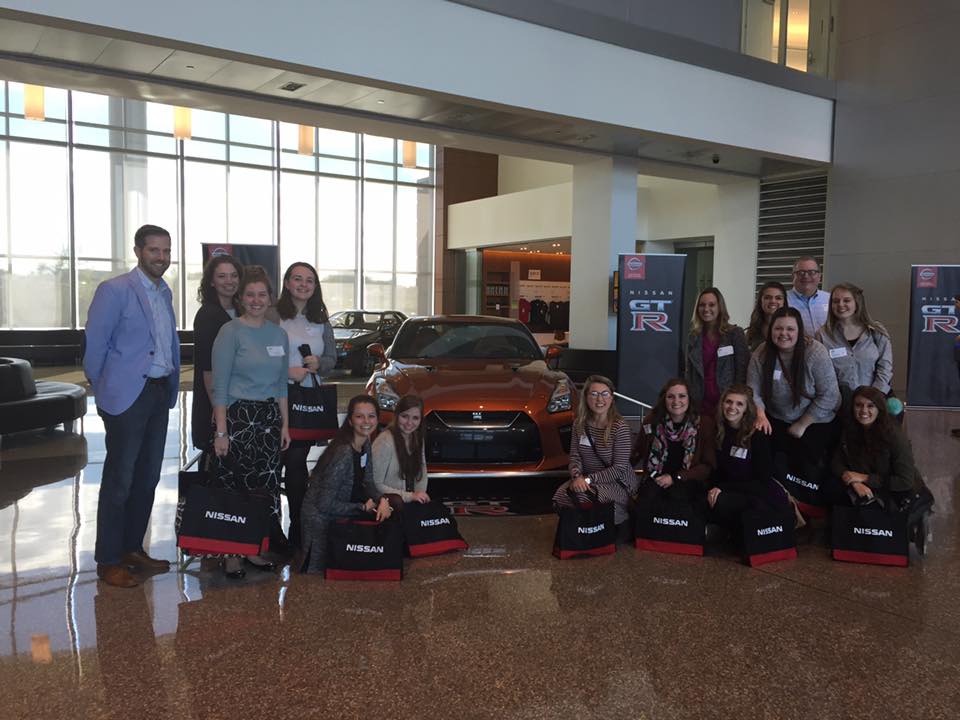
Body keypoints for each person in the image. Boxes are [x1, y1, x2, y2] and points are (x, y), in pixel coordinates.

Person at [84, 224, 179, 588]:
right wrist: (105, 387)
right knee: (119, 480)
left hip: (157, 393)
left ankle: (131, 549)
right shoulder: (115, 290)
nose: (161, 257)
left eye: (166, 251)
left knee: (147, 477)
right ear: (138, 251)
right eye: (154, 250)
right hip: (127, 397)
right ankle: (108, 560)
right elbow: (95, 347)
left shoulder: (164, 292)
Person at [211, 265, 291, 578]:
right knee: (235, 488)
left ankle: (255, 548)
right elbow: (220, 386)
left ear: (271, 298)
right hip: (238, 418)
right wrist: (221, 431)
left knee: (265, 489)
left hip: (269, 420)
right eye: (250, 295)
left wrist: (285, 424)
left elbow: (282, 384)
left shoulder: (279, 334)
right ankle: (232, 554)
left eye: (262, 294)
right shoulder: (230, 332)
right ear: (241, 299)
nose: (256, 300)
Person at [748, 307, 841, 498]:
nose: (784, 334)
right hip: (777, 416)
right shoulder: (762, 352)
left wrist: (803, 424)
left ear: (799, 331)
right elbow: (752, 390)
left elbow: (830, 395)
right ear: (771, 330)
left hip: (815, 420)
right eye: (778, 328)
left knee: (805, 457)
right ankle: (770, 494)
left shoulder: (815, 352)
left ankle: (808, 503)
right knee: (759, 442)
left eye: (790, 329)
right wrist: (760, 414)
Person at [276, 261, 336, 551]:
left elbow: (332, 361)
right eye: (297, 279)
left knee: (297, 464)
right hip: (274, 397)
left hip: (305, 402)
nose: (303, 284)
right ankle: (269, 531)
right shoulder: (273, 315)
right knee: (276, 464)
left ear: (315, 286)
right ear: (287, 283)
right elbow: (259, 356)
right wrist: (288, 372)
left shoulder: (321, 319)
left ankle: (297, 531)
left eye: (309, 280)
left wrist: (318, 364)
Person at [300, 395, 397, 574]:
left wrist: (382, 500)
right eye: (360, 416)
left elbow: (368, 481)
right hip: (322, 521)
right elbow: (324, 505)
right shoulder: (343, 453)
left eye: (371, 416)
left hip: (343, 508)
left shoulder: (365, 443)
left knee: (394, 506)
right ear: (350, 421)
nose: (366, 421)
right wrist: (362, 507)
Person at [831, 385, 934, 553]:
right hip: (865, 486)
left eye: (870, 406)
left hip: (894, 487)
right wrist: (853, 482)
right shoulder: (850, 430)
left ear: (879, 409)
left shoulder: (895, 437)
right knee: (833, 489)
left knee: (888, 522)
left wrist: (864, 478)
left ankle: (918, 517)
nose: (864, 410)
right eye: (858, 405)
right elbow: (836, 462)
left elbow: (904, 481)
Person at [552, 375, 637, 542]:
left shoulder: (620, 427)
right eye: (594, 394)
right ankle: (584, 528)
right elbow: (575, 456)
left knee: (584, 496)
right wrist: (576, 476)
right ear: (586, 397)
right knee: (560, 496)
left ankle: (612, 526)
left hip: (618, 483)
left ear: (612, 398)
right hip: (585, 480)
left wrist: (588, 480)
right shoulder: (579, 424)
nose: (599, 399)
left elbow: (619, 468)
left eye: (605, 394)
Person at [706, 385, 790, 534]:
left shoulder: (757, 435)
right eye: (728, 402)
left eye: (739, 404)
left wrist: (723, 488)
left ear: (746, 409)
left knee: (723, 502)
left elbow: (762, 480)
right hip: (730, 488)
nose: (732, 407)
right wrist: (714, 488)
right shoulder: (718, 431)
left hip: (758, 493)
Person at [632, 378, 715, 513]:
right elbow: (638, 451)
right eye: (671, 397)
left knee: (678, 497)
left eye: (682, 396)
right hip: (656, 478)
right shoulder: (652, 421)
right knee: (646, 499)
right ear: (664, 400)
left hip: (688, 480)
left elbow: (707, 466)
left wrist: (676, 478)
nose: (676, 401)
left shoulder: (704, 424)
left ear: (689, 399)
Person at [191, 253, 242, 466]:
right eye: (222, 276)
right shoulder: (208, 315)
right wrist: (218, 409)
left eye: (233, 275)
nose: (229, 281)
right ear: (211, 281)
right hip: (218, 402)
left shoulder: (241, 311)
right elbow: (208, 369)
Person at [815, 283, 893, 405]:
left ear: (857, 303)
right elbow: (821, 372)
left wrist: (874, 395)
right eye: (836, 301)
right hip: (839, 404)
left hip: (873, 402)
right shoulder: (823, 335)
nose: (840, 304)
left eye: (846, 300)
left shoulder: (876, 331)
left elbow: (885, 367)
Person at [683, 287, 749, 417]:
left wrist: (736, 402)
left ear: (720, 307)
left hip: (728, 404)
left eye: (711, 304)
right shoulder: (693, 337)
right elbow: (689, 373)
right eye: (702, 305)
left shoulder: (734, 334)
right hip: (701, 403)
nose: (706, 309)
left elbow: (742, 371)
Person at [372, 394, 430, 504]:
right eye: (405, 416)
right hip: (388, 503)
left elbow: (422, 474)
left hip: (410, 500)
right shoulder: (384, 441)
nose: (409, 423)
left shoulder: (417, 438)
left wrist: (420, 497)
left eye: (415, 418)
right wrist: (410, 496)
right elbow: (375, 484)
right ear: (396, 415)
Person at [786, 256, 830, 337]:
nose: (806, 276)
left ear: (819, 276)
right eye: (801, 272)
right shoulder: (782, 300)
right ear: (793, 276)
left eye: (812, 272)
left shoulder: (830, 299)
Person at [746, 281, 788, 352]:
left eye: (778, 298)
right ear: (761, 301)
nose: (773, 301)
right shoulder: (752, 330)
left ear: (784, 302)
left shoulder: (793, 328)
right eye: (768, 297)